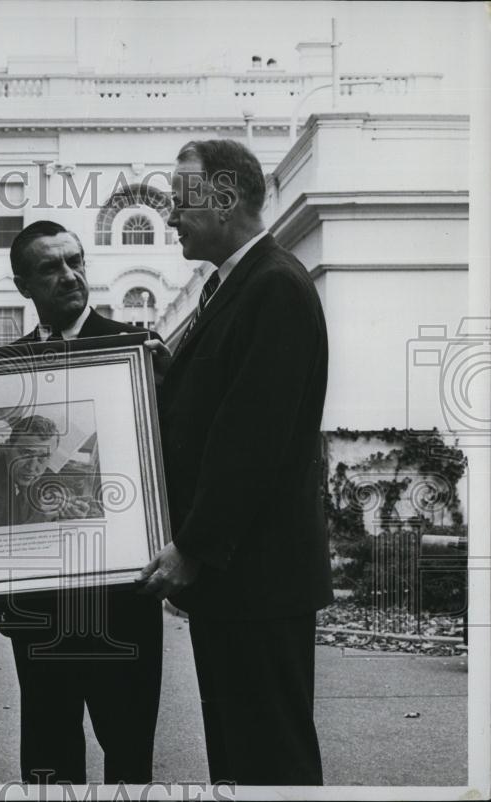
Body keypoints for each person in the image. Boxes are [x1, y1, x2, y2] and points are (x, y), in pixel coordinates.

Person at [138, 139, 333, 785]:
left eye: (179, 199)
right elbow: (223, 405)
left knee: (269, 757)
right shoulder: (237, 284)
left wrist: (192, 545)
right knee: (240, 753)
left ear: (222, 199)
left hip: (258, 578)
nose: (169, 216)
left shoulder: (272, 285)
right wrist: (174, 374)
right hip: (242, 579)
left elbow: (252, 440)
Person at [0, 220, 165, 785]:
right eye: (50, 267)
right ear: (23, 285)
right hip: (39, 606)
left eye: (75, 262)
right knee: (47, 755)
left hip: (123, 597)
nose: (69, 276)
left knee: (129, 752)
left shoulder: (138, 353)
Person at [0, 414, 95, 531]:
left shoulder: (47, 479)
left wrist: (69, 521)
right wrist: (36, 524)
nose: (33, 467)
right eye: (26, 454)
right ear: (7, 448)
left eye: (43, 457)